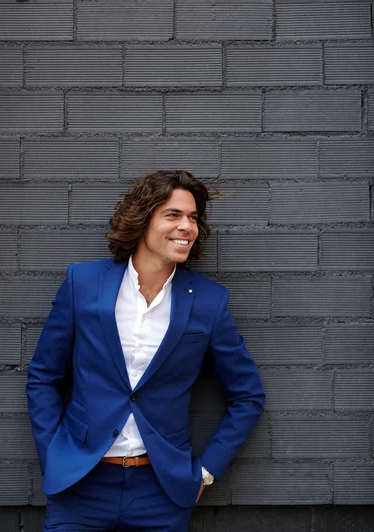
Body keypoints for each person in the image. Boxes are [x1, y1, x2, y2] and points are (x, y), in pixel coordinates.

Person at [26, 170, 265, 532]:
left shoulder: (208, 302)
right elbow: (44, 376)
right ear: (142, 220)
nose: (187, 226)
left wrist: (205, 472)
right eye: (173, 215)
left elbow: (247, 396)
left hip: (161, 493)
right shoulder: (84, 284)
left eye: (193, 218)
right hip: (80, 486)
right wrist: (54, 455)